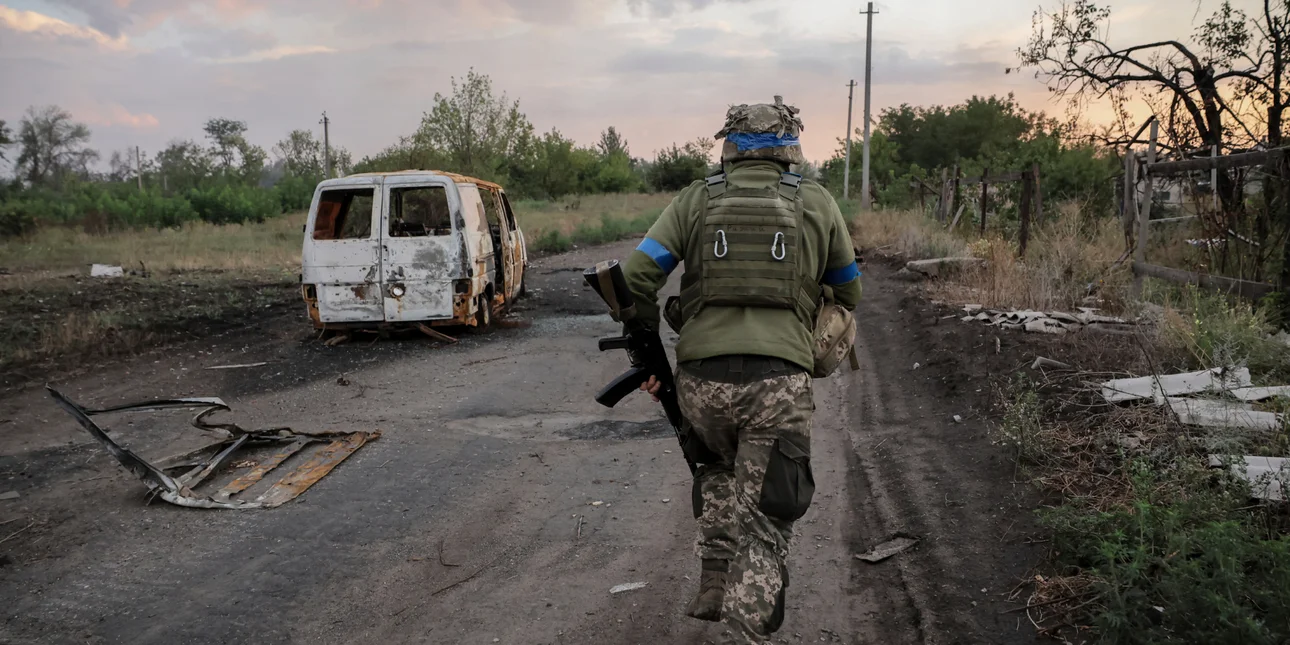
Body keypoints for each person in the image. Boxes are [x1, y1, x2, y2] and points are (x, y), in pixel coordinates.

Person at [620, 96, 862, 643]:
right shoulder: (818, 203)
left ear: (729, 146)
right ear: (789, 147)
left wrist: (648, 346)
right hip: (778, 385)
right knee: (768, 519)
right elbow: (849, 290)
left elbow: (635, 276)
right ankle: (746, 627)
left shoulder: (694, 200)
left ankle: (713, 579)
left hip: (702, 385)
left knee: (714, 468)